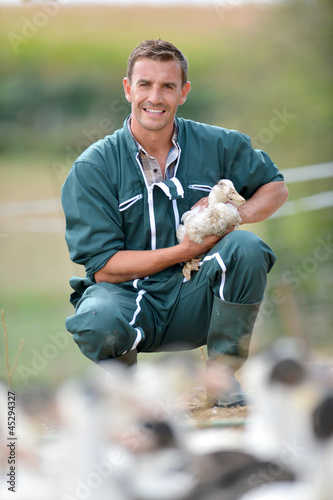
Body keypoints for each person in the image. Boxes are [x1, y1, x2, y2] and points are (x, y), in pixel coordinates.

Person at [61, 39, 288, 407]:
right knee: (95, 316)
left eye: (168, 86)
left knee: (247, 247)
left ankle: (221, 378)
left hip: (196, 294)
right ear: (127, 89)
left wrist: (235, 214)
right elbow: (103, 269)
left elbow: (276, 187)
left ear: (183, 92)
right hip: (128, 300)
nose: (156, 97)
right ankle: (127, 391)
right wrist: (184, 250)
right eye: (145, 84)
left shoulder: (217, 143)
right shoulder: (93, 167)